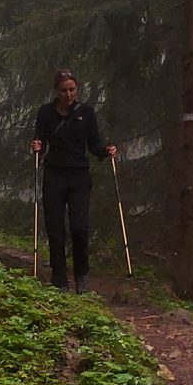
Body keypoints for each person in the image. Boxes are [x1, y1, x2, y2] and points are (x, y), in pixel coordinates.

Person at [31, 69, 118, 293]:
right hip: (54, 174)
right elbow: (40, 139)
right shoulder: (45, 112)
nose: (68, 94)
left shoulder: (86, 112)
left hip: (79, 175)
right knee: (55, 228)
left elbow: (94, 143)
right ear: (56, 91)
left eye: (72, 89)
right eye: (64, 90)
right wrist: (37, 146)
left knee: (79, 227)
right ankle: (59, 279)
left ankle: (82, 275)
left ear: (77, 89)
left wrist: (106, 151)